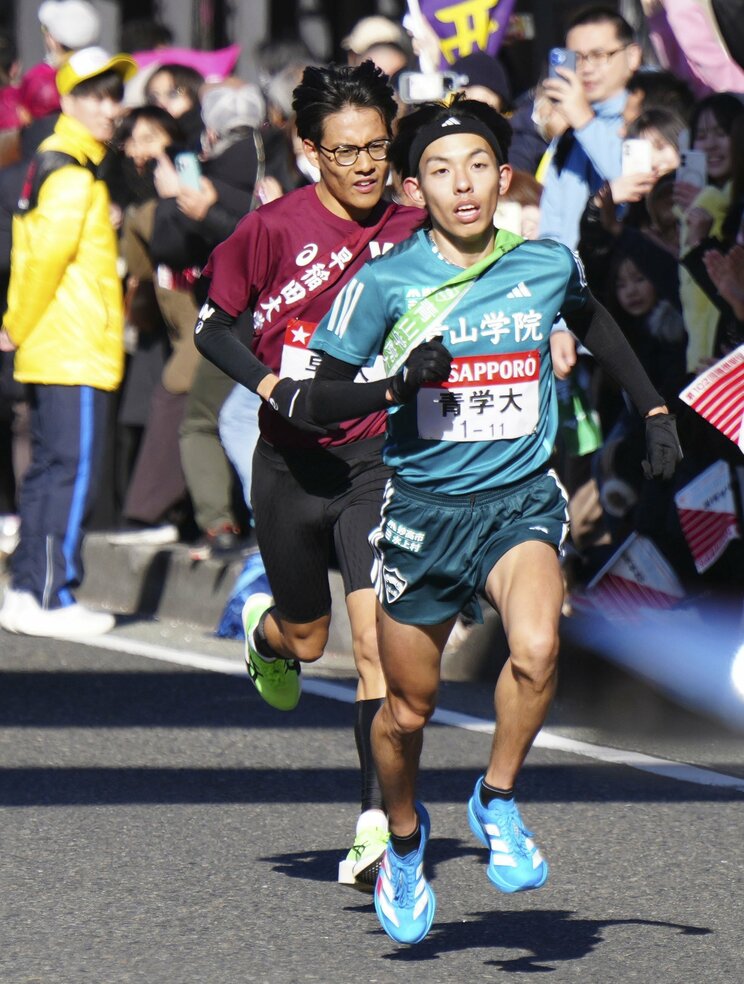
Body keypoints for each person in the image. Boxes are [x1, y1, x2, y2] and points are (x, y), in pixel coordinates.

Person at [304, 96, 682, 944]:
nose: (462, 183)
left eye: (477, 165)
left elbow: (597, 325)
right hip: (425, 514)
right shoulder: (386, 283)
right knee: (407, 712)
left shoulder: (544, 263)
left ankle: (497, 799)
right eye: (440, 170)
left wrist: (655, 410)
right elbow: (322, 394)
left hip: (518, 500)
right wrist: (397, 385)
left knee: (540, 647)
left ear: (502, 175)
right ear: (413, 188)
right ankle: (404, 843)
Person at [193, 61, 426, 891]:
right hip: (291, 461)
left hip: (376, 460)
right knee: (309, 638)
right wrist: (268, 384)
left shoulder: (414, 226)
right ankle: (269, 633)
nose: (365, 166)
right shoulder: (269, 230)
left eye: (376, 148)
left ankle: (373, 826)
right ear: (307, 152)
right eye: (345, 152)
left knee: (375, 647)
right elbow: (211, 328)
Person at [0, 46, 137, 638]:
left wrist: (20, 325)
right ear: (70, 100)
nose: (112, 107)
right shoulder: (72, 171)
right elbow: (44, 260)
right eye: (99, 96)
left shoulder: (56, 160)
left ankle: (31, 588)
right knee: (71, 471)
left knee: (49, 469)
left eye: (115, 94)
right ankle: (52, 594)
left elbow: (37, 255)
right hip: (73, 341)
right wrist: (16, 323)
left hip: (58, 340)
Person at [539, 6, 643, 249]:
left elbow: (635, 186)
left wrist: (585, 122)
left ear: (633, 56)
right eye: (577, 58)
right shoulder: (568, 136)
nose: (586, 69)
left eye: (598, 55)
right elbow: (551, 225)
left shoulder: (648, 119)